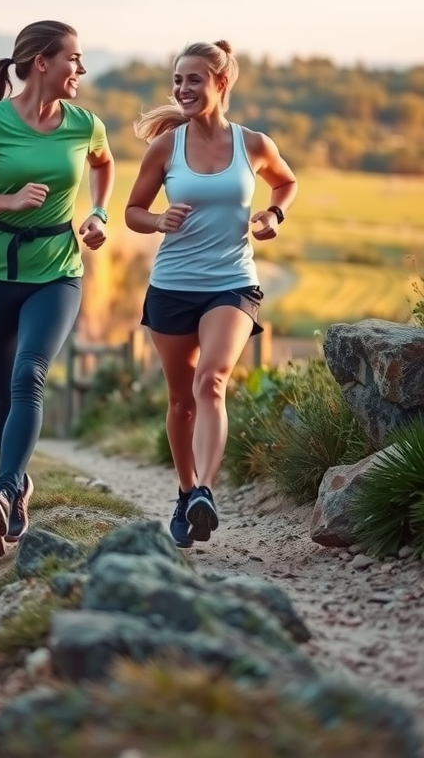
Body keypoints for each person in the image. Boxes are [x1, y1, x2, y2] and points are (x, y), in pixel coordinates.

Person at [0, 20, 114, 557]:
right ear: (41, 63)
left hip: (57, 270)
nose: (80, 69)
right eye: (73, 59)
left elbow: (104, 164)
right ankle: (20, 484)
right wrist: (4, 201)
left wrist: (98, 214)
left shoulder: (85, 124)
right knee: (1, 394)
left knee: (29, 372)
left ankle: (5, 491)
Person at [125, 39, 297, 548]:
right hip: (173, 286)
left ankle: (204, 490)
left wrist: (272, 215)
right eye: (177, 80)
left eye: (193, 79)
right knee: (181, 401)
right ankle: (184, 493)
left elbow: (285, 183)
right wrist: (158, 219)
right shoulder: (166, 147)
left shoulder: (254, 144)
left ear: (221, 84)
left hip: (233, 282)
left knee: (212, 379)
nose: (182, 89)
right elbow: (134, 210)